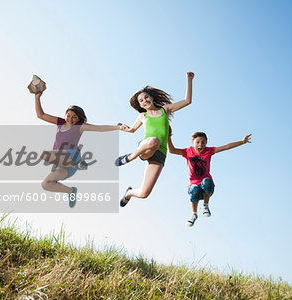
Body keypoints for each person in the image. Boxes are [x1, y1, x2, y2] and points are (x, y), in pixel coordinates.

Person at [34, 91, 128, 208]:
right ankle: (71, 191)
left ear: (78, 119)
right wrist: (37, 97)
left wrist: (118, 127)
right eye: (68, 116)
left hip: (73, 156)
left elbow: (100, 128)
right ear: (65, 115)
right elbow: (40, 115)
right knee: (46, 184)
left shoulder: (79, 126)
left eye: (74, 117)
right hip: (63, 165)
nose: (70, 119)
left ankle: (76, 164)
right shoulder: (60, 122)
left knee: (45, 155)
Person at [117, 72, 195, 207]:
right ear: (140, 105)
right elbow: (132, 130)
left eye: (146, 97)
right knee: (154, 141)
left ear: (151, 97)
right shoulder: (143, 116)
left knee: (144, 193)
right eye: (141, 101)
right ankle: (130, 157)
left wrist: (189, 79)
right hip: (146, 147)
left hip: (160, 153)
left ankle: (129, 193)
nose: (144, 101)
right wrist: (123, 128)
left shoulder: (165, 110)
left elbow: (187, 101)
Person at [168, 129, 252, 226]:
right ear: (192, 143)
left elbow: (226, 147)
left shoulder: (209, 151)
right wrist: (169, 137)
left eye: (203, 143)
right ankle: (194, 214)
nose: (200, 145)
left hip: (207, 189)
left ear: (206, 143)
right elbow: (172, 150)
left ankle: (205, 206)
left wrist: (242, 142)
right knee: (194, 188)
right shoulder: (188, 151)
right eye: (198, 142)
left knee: (206, 181)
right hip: (195, 188)